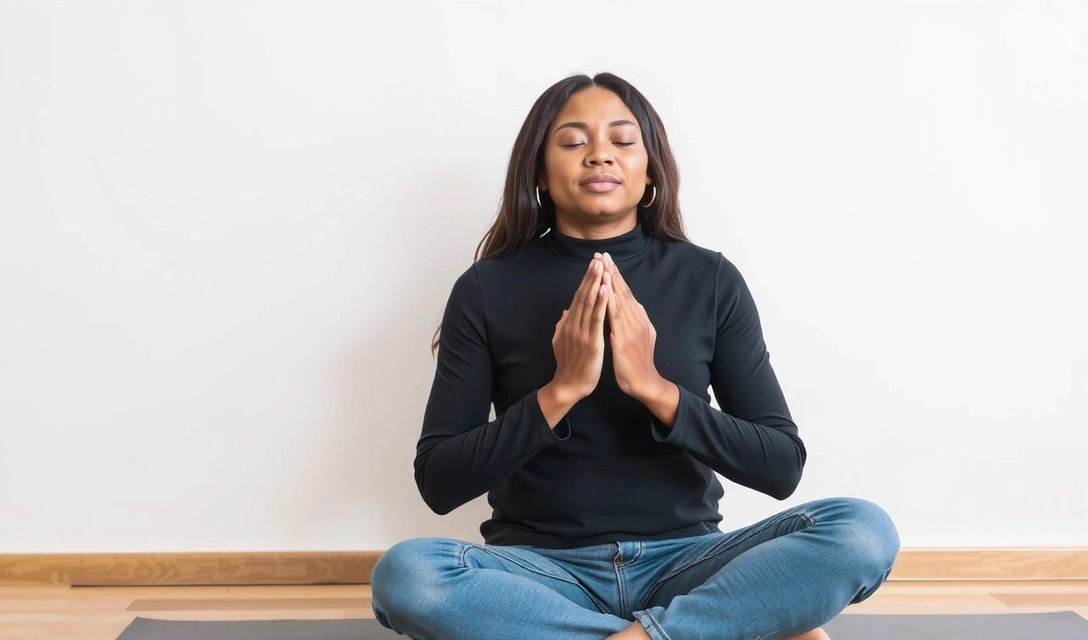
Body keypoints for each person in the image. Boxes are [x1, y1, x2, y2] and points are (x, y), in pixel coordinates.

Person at [370, 72, 900, 640]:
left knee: (862, 530)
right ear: (540, 173)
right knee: (409, 576)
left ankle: (646, 633)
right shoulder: (484, 288)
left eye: (622, 140)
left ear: (651, 171)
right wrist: (562, 390)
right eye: (574, 142)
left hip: (688, 563)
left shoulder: (709, 279)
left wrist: (653, 386)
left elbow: (780, 466)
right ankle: (706, 629)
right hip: (543, 571)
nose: (600, 154)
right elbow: (439, 481)